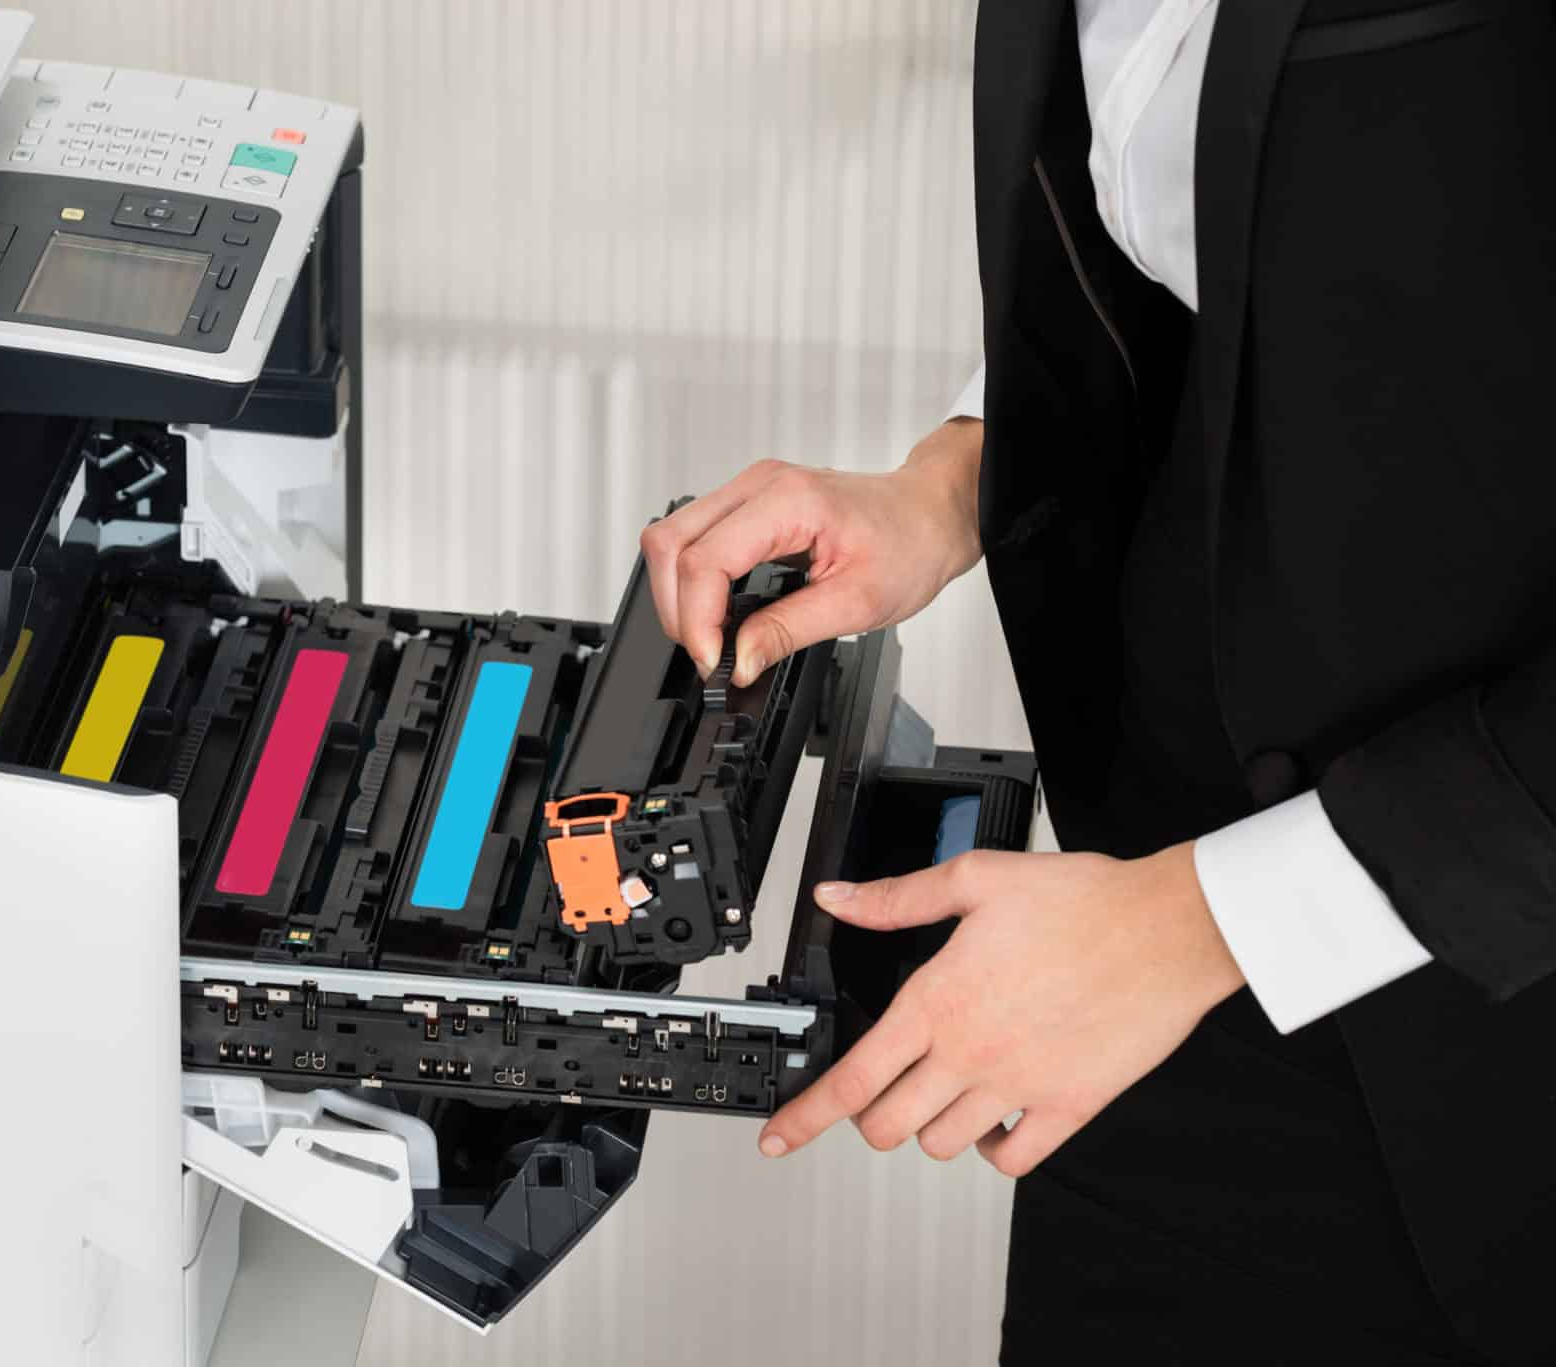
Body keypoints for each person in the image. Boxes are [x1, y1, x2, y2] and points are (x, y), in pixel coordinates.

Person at [641, 1, 1556, 1362]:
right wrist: (952, 478)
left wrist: (1212, 923)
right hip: (1146, 891)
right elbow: (1224, 228)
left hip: (1495, 1004)